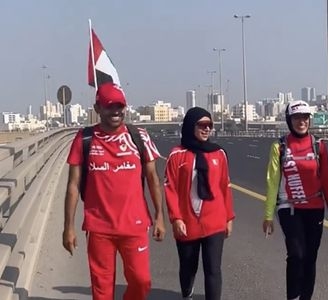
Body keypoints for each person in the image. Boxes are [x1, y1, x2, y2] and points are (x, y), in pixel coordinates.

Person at [62, 82, 166, 300]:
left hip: (135, 225)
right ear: (97, 108)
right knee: (102, 290)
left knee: (141, 281)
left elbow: (153, 177)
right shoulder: (84, 139)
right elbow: (73, 184)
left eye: (119, 106)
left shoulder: (140, 137)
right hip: (99, 227)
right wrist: (68, 228)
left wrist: (159, 217)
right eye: (109, 106)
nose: (116, 111)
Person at [262, 100, 328, 300]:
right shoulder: (279, 146)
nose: (301, 121)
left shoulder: (319, 146)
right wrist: (268, 215)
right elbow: (272, 182)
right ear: (290, 120)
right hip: (289, 208)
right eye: (297, 117)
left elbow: (327, 180)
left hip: (314, 207)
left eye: (305, 117)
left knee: (310, 258)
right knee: (296, 255)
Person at [164, 107, 235, 300]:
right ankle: (187, 294)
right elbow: (170, 188)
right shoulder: (177, 154)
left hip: (215, 221)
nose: (206, 129)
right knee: (188, 268)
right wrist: (176, 218)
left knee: (213, 269)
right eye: (202, 125)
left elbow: (225, 187)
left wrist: (229, 218)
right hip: (187, 222)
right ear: (190, 126)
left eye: (209, 125)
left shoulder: (219, 154)